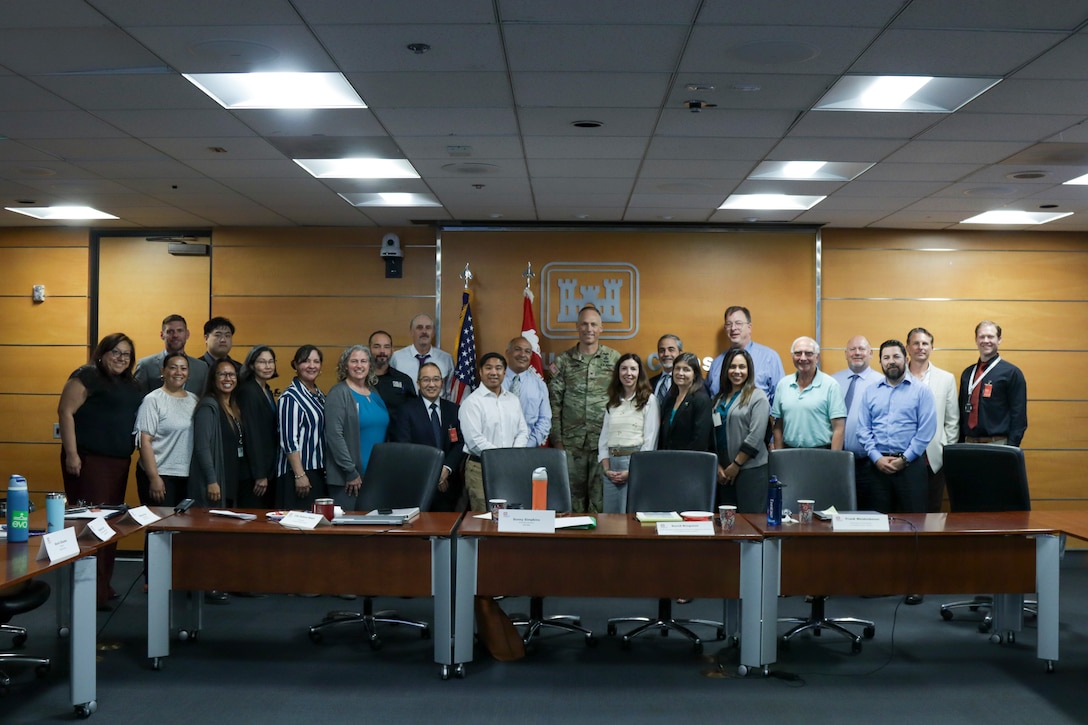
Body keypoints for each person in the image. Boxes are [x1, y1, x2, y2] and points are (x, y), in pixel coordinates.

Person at [57, 332, 143, 609]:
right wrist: (72, 454)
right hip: (88, 461)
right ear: (102, 353)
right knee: (90, 526)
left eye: (126, 354)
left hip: (118, 463)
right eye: (115, 352)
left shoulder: (131, 383)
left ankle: (103, 585)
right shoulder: (86, 376)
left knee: (110, 525)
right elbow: (65, 412)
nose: (121, 358)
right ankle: (90, 591)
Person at [548, 305, 620, 513]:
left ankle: (600, 535)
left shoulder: (614, 359)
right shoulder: (563, 361)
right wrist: (557, 441)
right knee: (571, 502)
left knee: (600, 502)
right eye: (585, 324)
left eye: (594, 324)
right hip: (571, 445)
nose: (589, 329)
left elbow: (622, 401)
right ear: (577, 327)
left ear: (601, 328)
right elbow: (554, 404)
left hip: (602, 444)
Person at [857, 339, 936, 513]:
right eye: (886, 358)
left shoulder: (921, 391)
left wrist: (905, 459)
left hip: (911, 466)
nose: (891, 361)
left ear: (906, 359)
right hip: (877, 467)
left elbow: (926, 431)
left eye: (896, 356)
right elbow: (863, 429)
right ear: (880, 362)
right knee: (878, 522)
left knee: (914, 522)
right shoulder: (870, 391)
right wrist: (876, 457)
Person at [393, 362, 467, 512]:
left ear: (442, 383)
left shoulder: (453, 410)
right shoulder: (406, 411)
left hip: (449, 486)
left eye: (436, 379)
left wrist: (446, 469)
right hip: (418, 484)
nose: (431, 384)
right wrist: (434, 475)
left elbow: (460, 443)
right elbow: (405, 448)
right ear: (418, 383)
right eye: (426, 380)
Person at [460, 352, 529, 511]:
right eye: (488, 368)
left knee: (511, 513)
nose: (494, 372)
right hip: (481, 468)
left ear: (504, 372)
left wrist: (512, 456)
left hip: (511, 467)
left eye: (498, 368)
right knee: (485, 516)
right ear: (480, 372)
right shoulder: (472, 402)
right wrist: (502, 458)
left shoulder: (513, 400)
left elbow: (522, 431)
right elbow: (474, 440)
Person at [325, 345, 390, 511]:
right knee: (350, 524)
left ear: (369, 365)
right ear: (345, 365)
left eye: (363, 361)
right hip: (349, 480)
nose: (359, 365)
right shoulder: (339, 393)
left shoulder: (373, 392)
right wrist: (350, 471)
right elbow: (334, 436)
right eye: (354, 361)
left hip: (374, 477)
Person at [134, 351, 198, 510]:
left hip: (187, 476)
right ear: (163, 371)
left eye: (183, 368)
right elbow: (144, 441)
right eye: (173, 367)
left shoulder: (194, 400)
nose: (178, 372)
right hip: (160, 474)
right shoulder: (153, 400)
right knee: (161, 523)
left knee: (183, 523)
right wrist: (154, 478)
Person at [906, 328, 961, 511]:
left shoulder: (946, 379)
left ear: (932, 348)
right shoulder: (896, 376)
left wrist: (946, 449)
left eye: (925, 343)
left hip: (933, 458)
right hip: (902, 455)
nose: (920, 347)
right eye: (916, 343)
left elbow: (952, 420)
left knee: (932, 510)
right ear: (908, 348)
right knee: (904, 510)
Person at [597, 353, 659, 513]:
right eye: (624, 368)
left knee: (632, 515)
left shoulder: (648, 400)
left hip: (634, 465)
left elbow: (650, 440)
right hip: (611, 467)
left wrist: (633, 471)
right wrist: (607, 469)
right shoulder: (612, 401)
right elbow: (604, 438)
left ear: (639, 373)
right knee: (611, 517)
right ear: (618, 372)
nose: (628, 373)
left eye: (633, 369)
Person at [713, 348, 770, 514]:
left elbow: (756, 436)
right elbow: (714, 434)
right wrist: (719, 466)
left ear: (749, 370)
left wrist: (736, 464)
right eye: (732, 366)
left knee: (751, 521)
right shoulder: (719, 399)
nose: (737, 371)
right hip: (724, 472)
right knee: (727, 522)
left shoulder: (757, 396)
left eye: (742, 367)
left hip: (750, 469)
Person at [831, 335, 883, 509]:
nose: (857, 353)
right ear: (846, 354)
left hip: (868, 462)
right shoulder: (833, 381)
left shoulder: (881, 383)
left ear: (871, 353)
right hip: (835, 458)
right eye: (852, 349)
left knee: (866, 510)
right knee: (837, 508)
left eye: (862, 349)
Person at [959, 320, 1028, 446]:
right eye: (982, 337)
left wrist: (1010, 448)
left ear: (999, 340)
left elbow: (1019, 416)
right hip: (968, 443)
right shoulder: (967, 374)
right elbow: (961, 413)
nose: (986, 340)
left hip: (997, 444)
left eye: (990, 336)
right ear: (976, 340)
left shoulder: (1011, 373)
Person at [190, 358, 247, 509]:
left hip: (231, 478)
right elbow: (202, 447)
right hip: (216, 481)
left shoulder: (233, 406)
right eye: (222, 374)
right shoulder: (208, 406)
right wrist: (212, 481)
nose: (228, 379)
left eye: (232, 374)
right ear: (213, 378)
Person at [771, 336, 846, 450]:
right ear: (792, 357)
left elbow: (839, 428)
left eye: (808, 353)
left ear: (817, 357)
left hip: (821, 452)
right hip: (789, 452)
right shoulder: (783, 384)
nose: (803, 358)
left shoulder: (831, 385)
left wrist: (834, 458)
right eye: (798, 353)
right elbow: (778, 426)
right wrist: (779, 455)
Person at [277, 345, 327, 510]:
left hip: (317, 471)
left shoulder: (319, 395)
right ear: (296, 365)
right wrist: (300, 475)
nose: (311, 366)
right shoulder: (291, 397)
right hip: (298, 473)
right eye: (306, 361)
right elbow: (289, 440)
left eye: (316, 361)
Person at [706, 306, 785, 404]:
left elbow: (780, 398)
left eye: (738, 323)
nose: (733, 328)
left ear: (749, 327)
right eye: (729, 324)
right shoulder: (716, 363)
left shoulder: (769, 357)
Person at [235, 345, 279, 508]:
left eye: (271, 362)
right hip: (253, 473)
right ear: (252, 365)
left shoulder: (266, 389)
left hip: (268, 468)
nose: (268, 366)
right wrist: (260, 474)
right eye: (262, 362)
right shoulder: (248, 391)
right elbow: (251, 434)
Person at [133, 314, 208, 395]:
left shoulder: (201, 367)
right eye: (170, 331)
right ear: (162, 335)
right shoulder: (146, 365)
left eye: (180, 331)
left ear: (187, 334)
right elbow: (137, 397)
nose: (175, 335)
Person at [658, 351, 713, 452]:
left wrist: (686, 459)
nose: (680, 373)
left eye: (686, 370)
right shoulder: (670, 399)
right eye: (677, 368)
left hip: (690, 458)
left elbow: (700, 439)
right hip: (668, 456)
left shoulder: (701, 400)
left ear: (695, 374)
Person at [504, 335, 551, 447]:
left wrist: (528, 445)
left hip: (529, 447)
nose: (522, 354)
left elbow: (545, 420)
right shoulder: (494, 381)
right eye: (517, 349)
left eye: (527, 351)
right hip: (497, 448)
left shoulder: (539, 385)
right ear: (507, 353)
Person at [389, 313, 455, 391]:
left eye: (428, 328)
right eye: (419, 328)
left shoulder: (446, 359)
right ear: (411, 332)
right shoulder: (396, 358)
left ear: (433, 332)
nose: (424, 331)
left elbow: (450, 392)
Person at [369, 329, 417, 426]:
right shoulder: (359, 380)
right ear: (368, 349)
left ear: (392, 350)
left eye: (386, 347)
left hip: (396, 434)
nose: (382, 351)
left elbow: (414, 413)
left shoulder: (404, 380)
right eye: (377, 346)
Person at [649, 334, 682, 405]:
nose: (666, 354)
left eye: (671, 350)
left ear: (680, 354)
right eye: (662, 350)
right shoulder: (650, 383)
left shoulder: (687, 382)